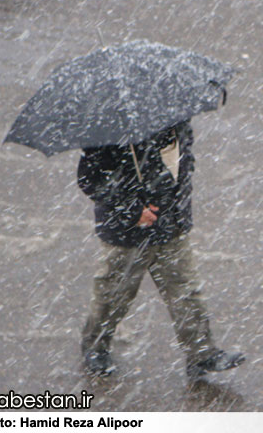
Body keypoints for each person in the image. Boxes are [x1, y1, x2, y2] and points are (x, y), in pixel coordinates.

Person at [77, 119, 244, 380]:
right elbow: (91, 178)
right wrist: (132, 210)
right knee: (114, 294)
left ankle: (201, 354)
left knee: (186, 291)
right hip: (127, 232)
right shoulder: (107, 125)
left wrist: (176, 203)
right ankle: (95, 347)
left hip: (170, 224)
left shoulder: (177, 115)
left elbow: (184, 159)